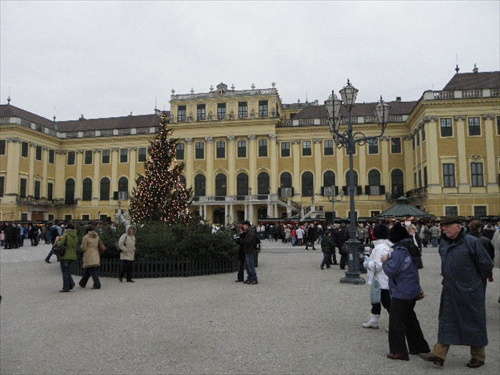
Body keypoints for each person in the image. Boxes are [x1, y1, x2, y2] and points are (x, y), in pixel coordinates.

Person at [419, 216, 494, 368]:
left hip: (470, 290)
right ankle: (439, 354)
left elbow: (485, 264)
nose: (443, 229)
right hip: (450, 289)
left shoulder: (472, 242)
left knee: (474, 322)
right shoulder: (445, 243)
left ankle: (478, 356)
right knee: (447, 320)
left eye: (447, 226)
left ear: (459, 226)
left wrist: (476, 284)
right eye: (442, 226)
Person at [381, 222, 430, 361]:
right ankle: (419, 346)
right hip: (411, 288)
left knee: (396, 322)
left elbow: (392, 270)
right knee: (410, 319)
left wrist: (385, 261)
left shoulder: (400, 250)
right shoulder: (411, 247)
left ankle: (399, 351)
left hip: (401, 290)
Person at [362, 223, 392, 329]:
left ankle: (394, 323)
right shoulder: (382, 246)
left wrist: (368, 263)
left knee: (386, 302)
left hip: (381, 279)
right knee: (375, 300)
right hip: (379, 279)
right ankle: (374, 320)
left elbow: (378, 265)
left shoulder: (380, 248)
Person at [78, 225, 103, 289]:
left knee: (93, 271)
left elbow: (84, 248)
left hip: (88, 255)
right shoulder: (97, 236)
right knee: (89, 270)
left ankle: (97, 284)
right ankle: (82, 283)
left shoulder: (86, 237)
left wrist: (81, 247)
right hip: (96, 254)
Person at [56, 223, 78, 292]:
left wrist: (57, 240)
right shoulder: (75, 236)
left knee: (65, 272)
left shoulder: (66, 235)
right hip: (73, 255)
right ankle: (71, 283)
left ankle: (66, 287)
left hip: (65, 256)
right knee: (68, 271)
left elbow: (59, 244)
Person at [241, 220, 258, 284]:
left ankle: (254, 278)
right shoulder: (248, 231)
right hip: (248, 250)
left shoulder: (250, 232)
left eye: (244, 225)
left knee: (250, 265)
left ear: (247, 225)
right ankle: (250, 277)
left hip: (250, 250)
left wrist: (242, 240)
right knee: (248, 265)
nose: (243, 226)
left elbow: (248, 241)